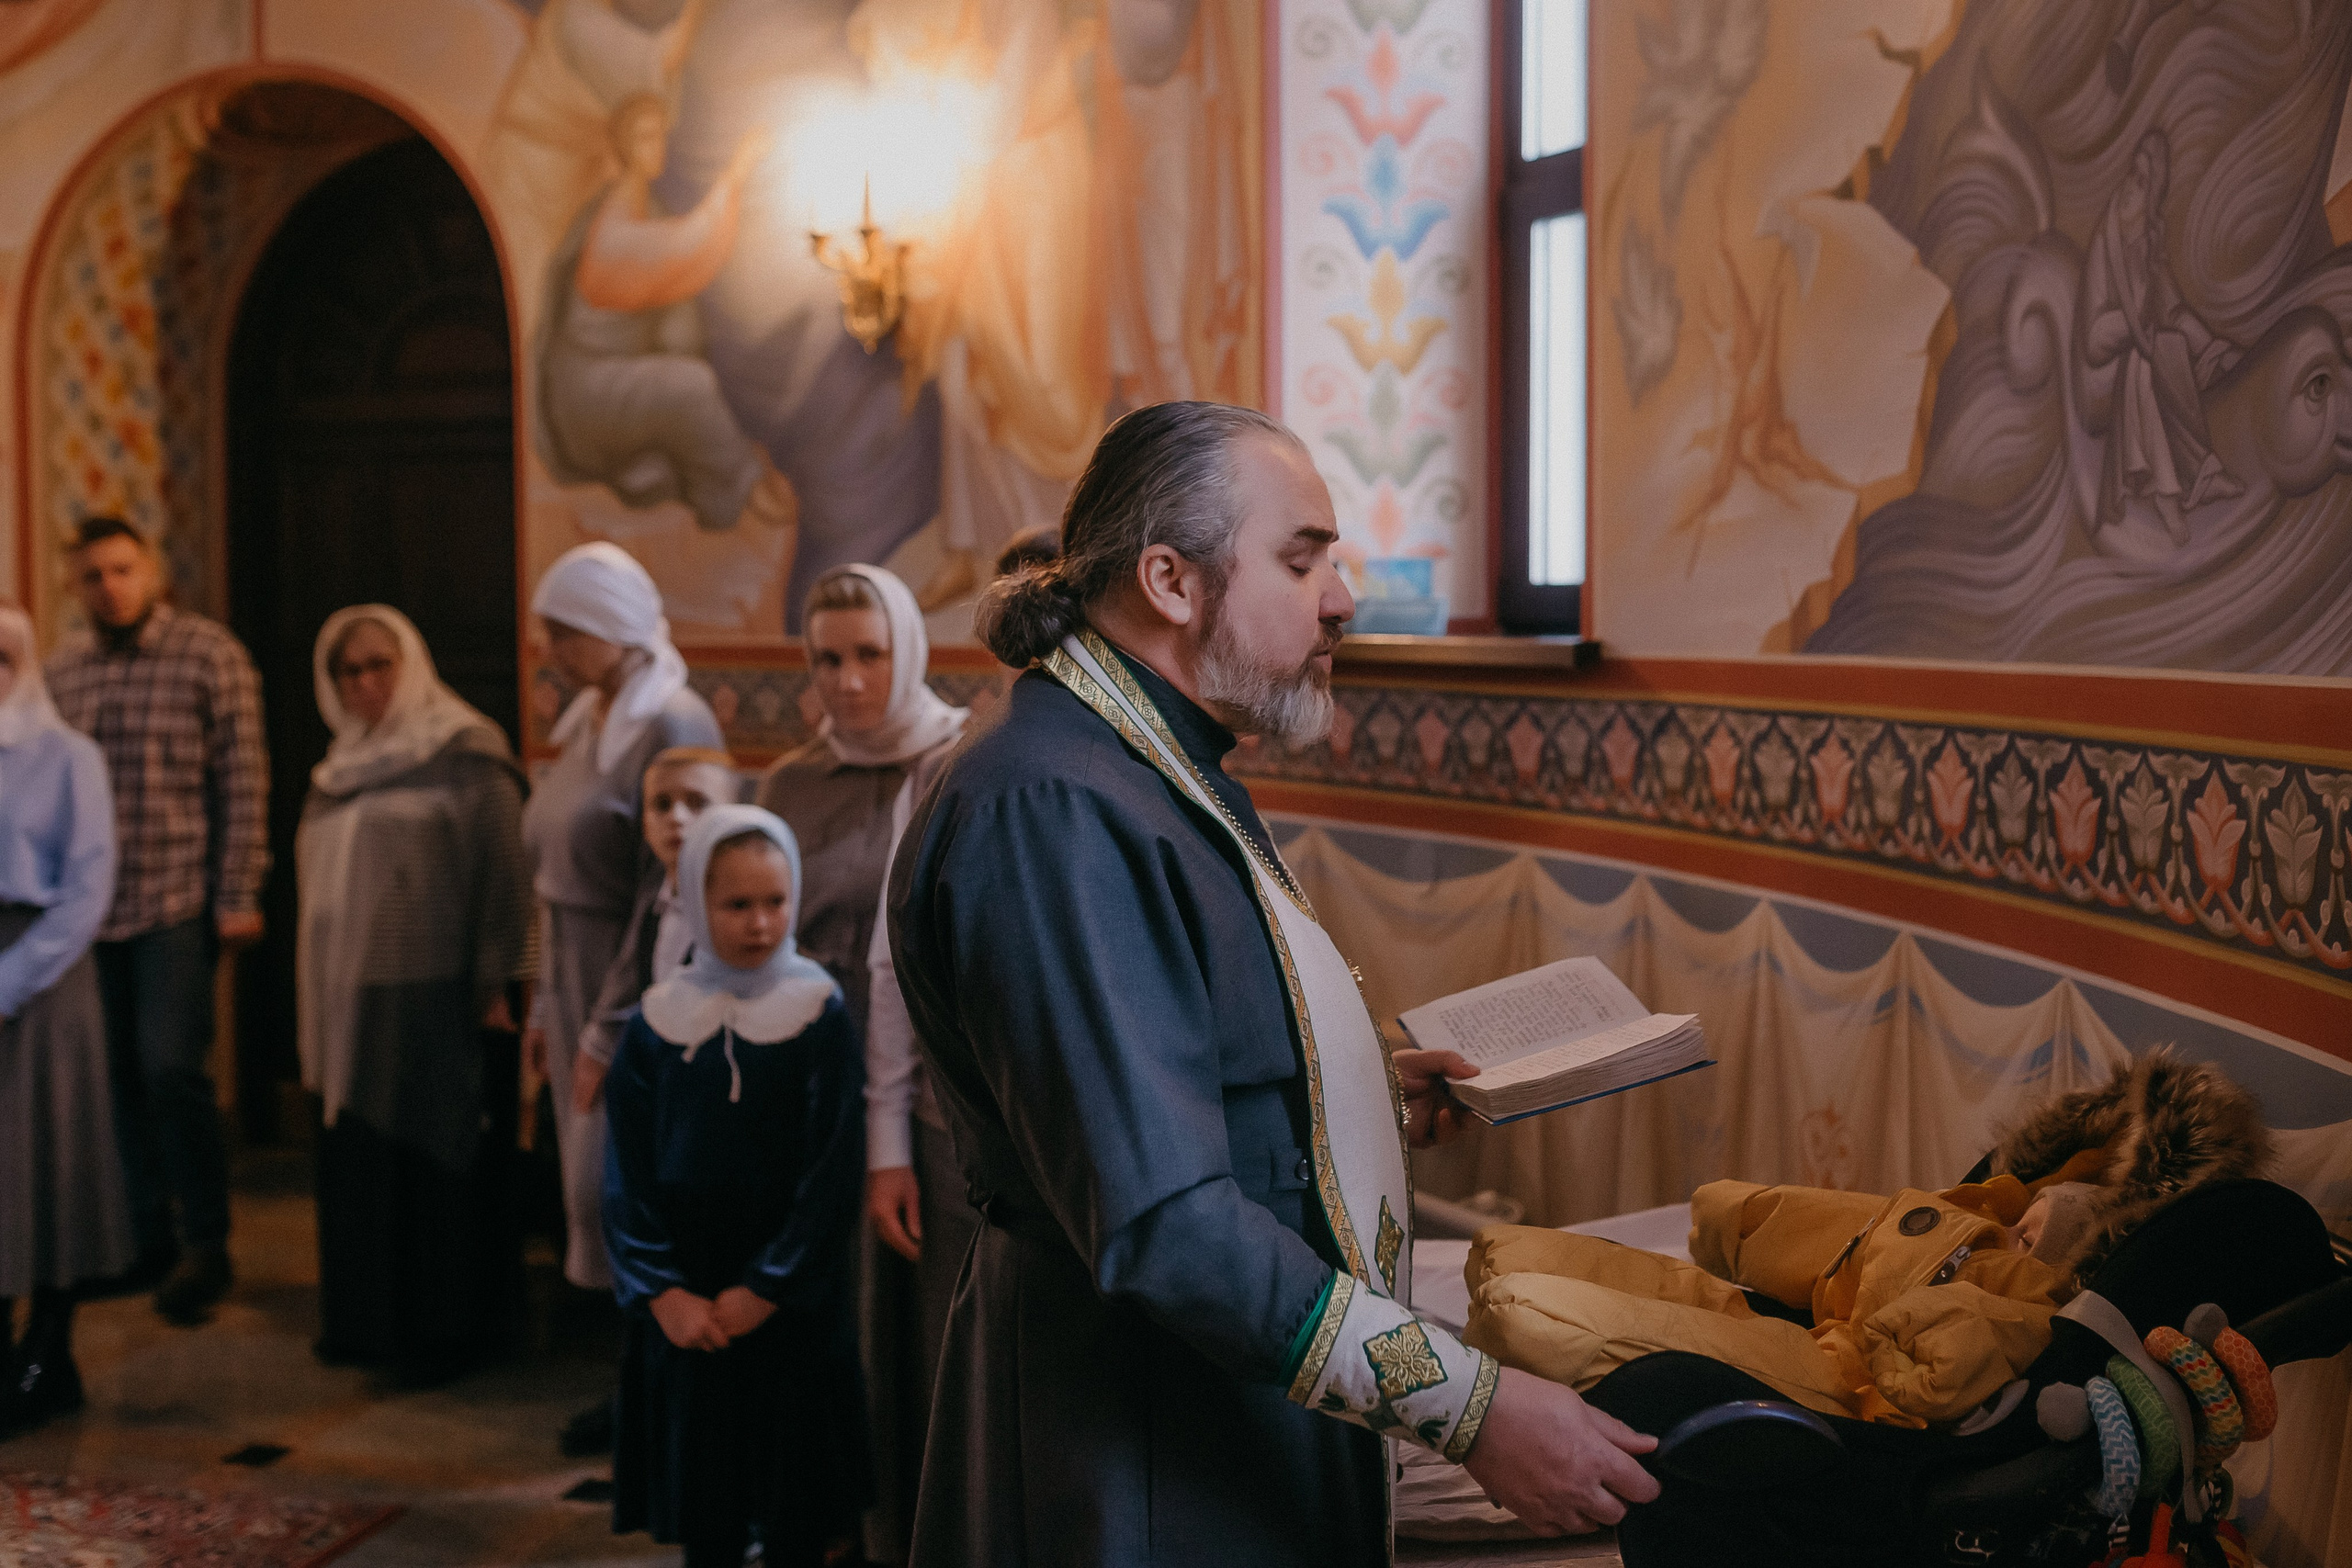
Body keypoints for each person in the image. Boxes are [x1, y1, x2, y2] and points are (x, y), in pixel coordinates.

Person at [887, 402, 1662, 1563]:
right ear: (1170, 581)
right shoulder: (1054, 807)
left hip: (1213, 1406)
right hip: (1138, 1439)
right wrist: (1473, 1406)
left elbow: (1161, 1091)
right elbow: (1167, 1226)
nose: (1340, 599)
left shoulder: (1145, 765)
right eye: (1302, 560)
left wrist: (1346, 1107)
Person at [1463, 1050, 2273, 1427]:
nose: (2022, 1231)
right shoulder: (1981, 1212)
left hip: (1847, 1372)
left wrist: (1897, 1340)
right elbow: (1850, 1234)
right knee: (1535, 1256)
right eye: (2026, 1215)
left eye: (2034, 1235)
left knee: (1606, 1325)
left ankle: (1531, 1309)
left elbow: (1964, 1354)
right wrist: (1751, 1223)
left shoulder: (2043, 1300)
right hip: (1830, 1309)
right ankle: (1528, 1270)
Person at [752, 562, 966, 1558]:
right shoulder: (793, 780)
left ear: (908, 650)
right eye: (826, 659)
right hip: (803, 1089)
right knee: (803, 1311)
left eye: (867, 655)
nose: (846, 681)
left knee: (894, 1323)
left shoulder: (954, 757)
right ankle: (816, 1521)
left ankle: (905, 1525)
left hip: (909, 1095)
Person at [859, 525, 1058, 1552]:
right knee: (958, 1355)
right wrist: (889, 1139)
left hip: (1027, 1140)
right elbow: (901, 970)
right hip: (981, 1132)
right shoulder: (990, 775)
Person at [604, 805, 868, 1568]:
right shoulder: (657, 1020)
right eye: (736, 905)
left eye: (775, 902)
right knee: (707, 1499)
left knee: (795, 1503)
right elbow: (625, 1174)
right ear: (694, 904)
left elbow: (830, 1170)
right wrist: (663, 1291)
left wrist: (769, 1285)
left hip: (788, 1303)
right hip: (690, 1296)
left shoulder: (817, 1010)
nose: (760, 923)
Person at [295, 607, 537, 1382]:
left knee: (434, 1154)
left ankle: (446, 1331)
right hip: (350, 995)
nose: (364, 683)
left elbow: (505, 873)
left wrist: (501, 978)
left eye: (378, 665)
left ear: (413, 664)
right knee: (363, 1159)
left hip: (437, 993)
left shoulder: (465, 749)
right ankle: (370, 1323)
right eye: (347, 670)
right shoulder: (339, 764)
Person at [523, 542, 724, 1451]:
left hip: (629, 982)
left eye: (565, 630)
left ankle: (658, 1390)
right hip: (568, 970)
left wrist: (607, 1028)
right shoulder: (589, 717)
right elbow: (549, 873)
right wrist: (540, 1009)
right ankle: (632, 1382)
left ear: (609, 629)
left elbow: (663, 892)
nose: (549, 647)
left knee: (622, 1188)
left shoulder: (670, 721)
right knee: (590, 1192)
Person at [47, 516, 267, 1325]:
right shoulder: (64, 668)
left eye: (122, 569)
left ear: (151, 572)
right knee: (113, 1079)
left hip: (175, 897)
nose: (110, 586)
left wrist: (239, 890)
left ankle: (206, 1239)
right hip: (88, 909)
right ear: (76, 583)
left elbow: (243, 778)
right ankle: (146, 1235)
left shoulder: (209, 654)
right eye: (94, 575)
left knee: (171, 1065)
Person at [0, 604, 132, 1436]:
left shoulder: (67, 756)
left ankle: (49, 1345)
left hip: (43, 978)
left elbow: (88, 886)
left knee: (42, 1160)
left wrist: (10, 978)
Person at [572, 747, 743, 1118]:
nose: (677, 817)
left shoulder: (743, 914)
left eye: (698, 803)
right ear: (645, 823)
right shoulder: (655, 903)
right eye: (661, 804)